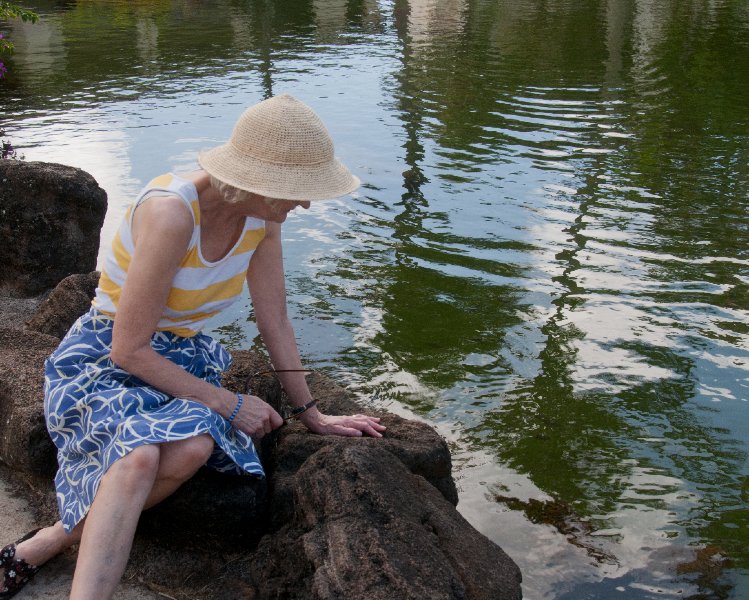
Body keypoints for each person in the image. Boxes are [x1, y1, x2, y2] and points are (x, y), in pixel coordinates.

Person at [0, 94, 385, 599]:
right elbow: (128, 350)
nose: (306, 203)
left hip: (180, 358)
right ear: (256, 181)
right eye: (296, 190)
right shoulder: (171, 212)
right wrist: (228, 401)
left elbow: (275, 320)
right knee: (138, 458)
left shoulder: (263, 220)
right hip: (103, 360)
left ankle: (53, 538)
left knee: (193, 449)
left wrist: (311, 412)